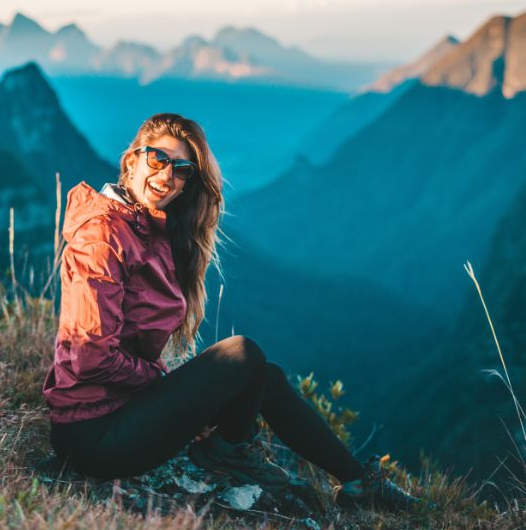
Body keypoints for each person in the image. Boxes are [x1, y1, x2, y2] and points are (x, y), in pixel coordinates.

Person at [43, 112, 417, 509]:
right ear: (132, 160)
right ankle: (228, 450)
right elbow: (90, 358)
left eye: (182, 169)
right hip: (94, 436)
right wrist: (161, 381)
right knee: (242, 354)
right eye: (157, 160)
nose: (168, 176)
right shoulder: (104, 234)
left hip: (123, 413)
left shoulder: (145, 229)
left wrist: (177, 396)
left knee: (264, 376)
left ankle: (359, 484)